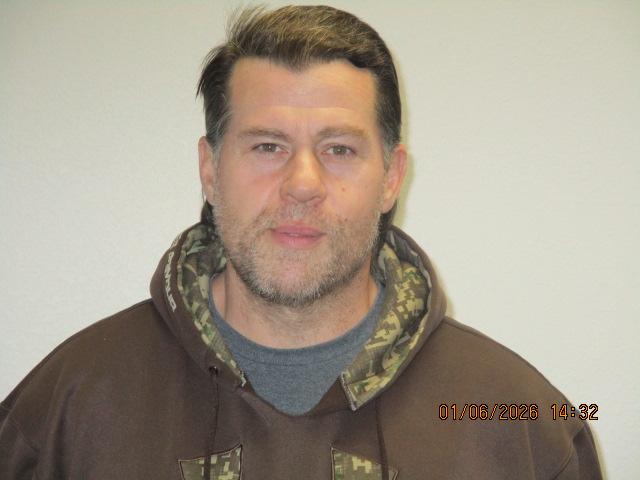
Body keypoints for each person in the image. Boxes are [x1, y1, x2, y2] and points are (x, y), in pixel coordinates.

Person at [0, 5, 602, 479]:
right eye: (268, 146)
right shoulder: (63, 414)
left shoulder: (521, 422)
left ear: (392, 177)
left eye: (339, 149)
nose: (302, 184)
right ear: (209, 170)